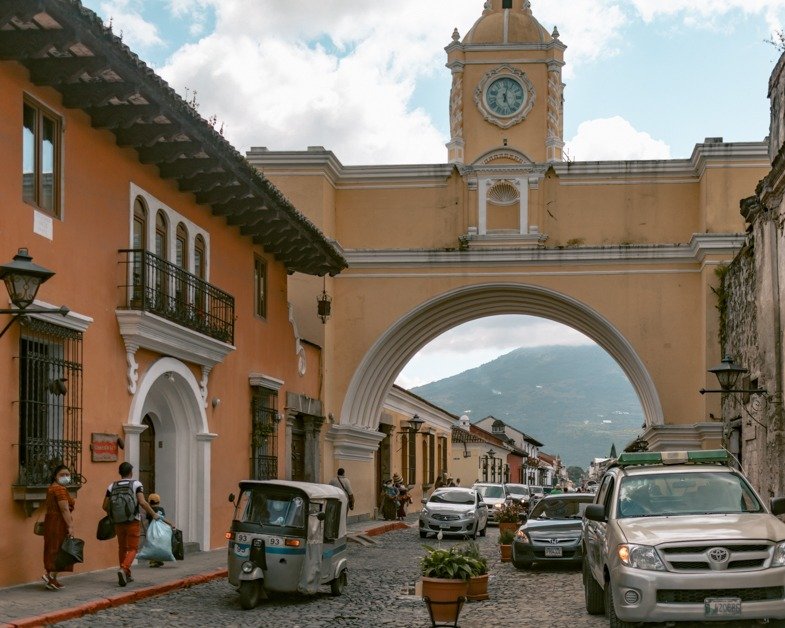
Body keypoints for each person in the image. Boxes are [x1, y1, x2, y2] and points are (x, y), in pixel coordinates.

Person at [103, 462, 160, 586]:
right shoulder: (136, 484)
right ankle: (123, 569)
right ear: (131, 472)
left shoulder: (111, 486)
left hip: (118, 522)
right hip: (132, 520)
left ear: (120, 473)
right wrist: (153, 514)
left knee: (122, 547)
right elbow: (142, 502)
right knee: (133, 548)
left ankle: (126, 574)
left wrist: (115, 514)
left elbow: (105, 506)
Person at [42, 464, 75, 590]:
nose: (65, 477)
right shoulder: (59, 489)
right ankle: (49, 575)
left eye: (67, 474)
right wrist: (70, 527)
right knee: (61, 549)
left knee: (53, 547)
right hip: (58, 522)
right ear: (55, 476)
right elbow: (64, 509)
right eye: (62, 475)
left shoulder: (52, 488)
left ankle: (52, 579)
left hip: (51, 521)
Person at [144, 493, 175, 568]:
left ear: (149, 502)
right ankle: (156, 561)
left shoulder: (149, 510)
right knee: (160, 545)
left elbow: (147, 520)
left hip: (152, 531)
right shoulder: (161, 509)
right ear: (159, 501)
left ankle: (155, 561)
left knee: (152, 546)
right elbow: (162, 519)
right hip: (160, 531)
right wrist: (170, 524)